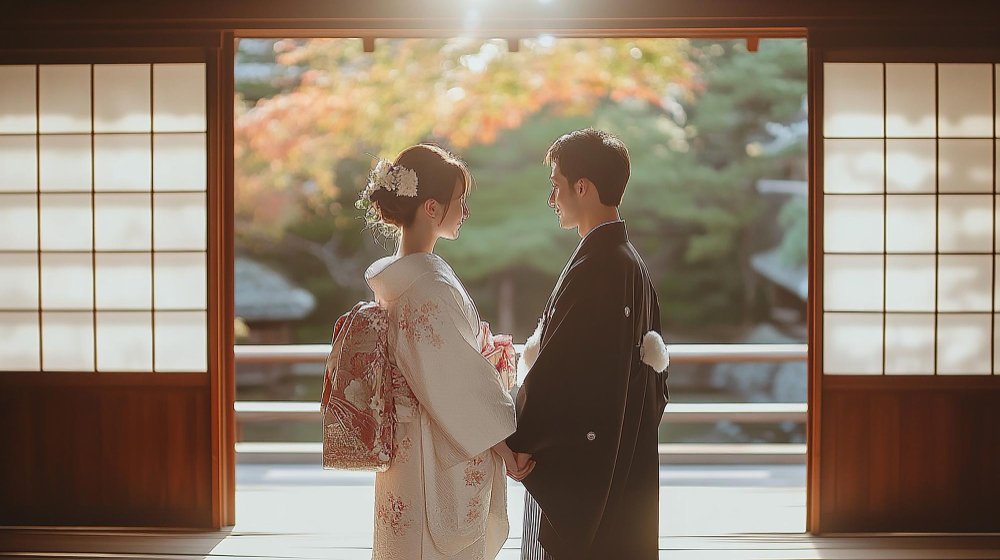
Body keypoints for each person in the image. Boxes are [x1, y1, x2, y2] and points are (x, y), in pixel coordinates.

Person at [360, 144, 531, 560]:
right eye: (460, 202)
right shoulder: (427, 287)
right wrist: (506, 449)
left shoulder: (406, 278)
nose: (465, 211)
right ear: (432, 208)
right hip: (433, 444)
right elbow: (456, 383)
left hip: (409, 444)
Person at [507, 129, 670, 560]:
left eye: (556, 185)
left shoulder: (601, 267)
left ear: (583, 187)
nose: (552, 198)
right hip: (617, 458)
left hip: (586, 469)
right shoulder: (627, 262)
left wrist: (518, 439)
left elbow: (562, 371)